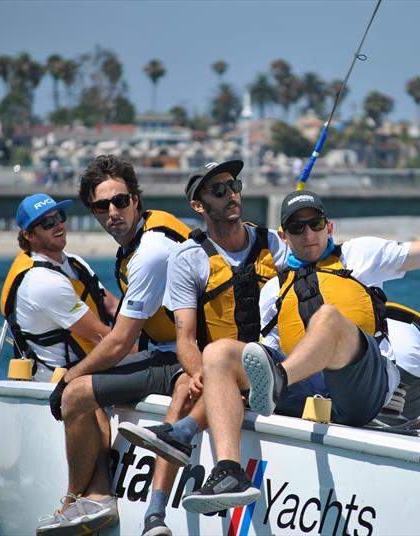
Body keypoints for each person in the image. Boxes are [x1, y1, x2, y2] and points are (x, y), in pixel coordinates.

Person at [181, 168, 420, 514]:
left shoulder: (361, 255)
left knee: (328, 318)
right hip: (310, 396)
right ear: (284, 237)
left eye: (315, 224)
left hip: (364, 388)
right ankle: (228, 471)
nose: (309, 234)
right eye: (297, 228)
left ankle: (278, 381)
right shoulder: (273, 291)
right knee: (219, 353)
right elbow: (265, 350)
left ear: (329, 227)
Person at [116, 159, 288, 532]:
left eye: (234, 185)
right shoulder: (189, 258)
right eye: (219, 190)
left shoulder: (274, 243)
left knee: (215, 379)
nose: (232, 195)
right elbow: (185, 339)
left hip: (269, 362)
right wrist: (199, 374)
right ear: (199, 205)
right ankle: (155, 515)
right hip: (219, 366)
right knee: (184, 387)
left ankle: (178, 439)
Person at [36, 155, 196, 536]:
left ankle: (77, 499)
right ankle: (100, 490)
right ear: (93, 212)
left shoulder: (151, 252)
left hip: (183, 358)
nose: (113, 211)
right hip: (168, 352)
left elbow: (121, 341)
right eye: (101, 206)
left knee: (75, 395)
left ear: (136, 200)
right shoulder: (143, 240)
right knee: (91, 383)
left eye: (120, 201)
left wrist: (67, 379)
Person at [0, 193, 118, 382]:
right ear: (29, 235)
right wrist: (146, 355)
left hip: (98, 366)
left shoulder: (74, 262)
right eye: (47, 223)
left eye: (59, 217)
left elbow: (112, 305)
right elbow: (101, 336)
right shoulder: (43, 282)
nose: (58, 225)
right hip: (64, 382)